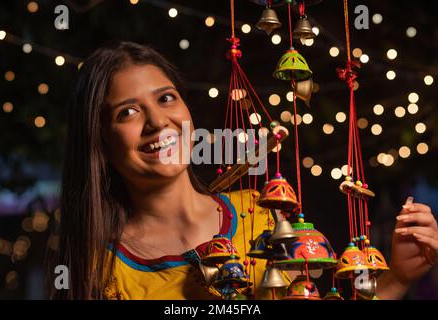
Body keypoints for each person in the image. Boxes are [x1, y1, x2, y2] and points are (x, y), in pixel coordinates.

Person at [49, 41, 438, 300]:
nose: (157, 122)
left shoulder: (261, 215)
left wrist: (398, 278)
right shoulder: (101, 271)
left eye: (166, 98)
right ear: (99, 141)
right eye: (127, 112)